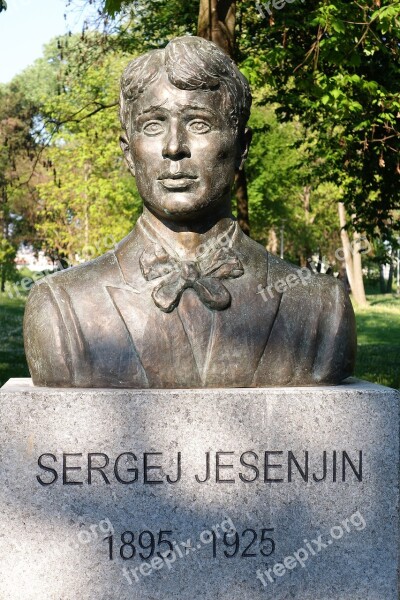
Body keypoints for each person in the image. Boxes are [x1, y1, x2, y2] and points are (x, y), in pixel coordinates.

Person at [23, 36, 356, 388]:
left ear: (242, 147)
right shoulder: (62, 308)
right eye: (153, 125)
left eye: (199, 123)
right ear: (128, 153)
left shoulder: (321, 309)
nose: (173, 147)